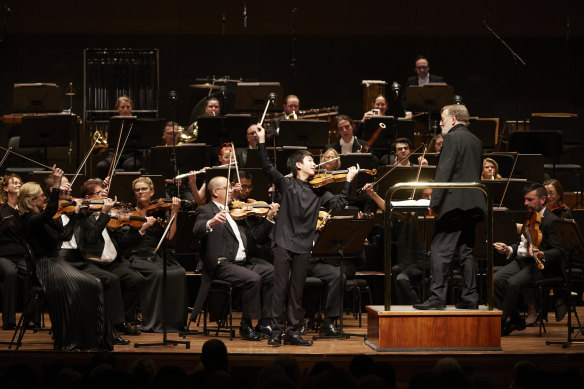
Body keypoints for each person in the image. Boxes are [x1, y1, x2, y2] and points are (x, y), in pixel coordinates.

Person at [256, 124, 359, 346]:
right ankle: (276, 332)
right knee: (280, 289)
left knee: (297, 290)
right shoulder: (286, 183)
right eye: (311, 160)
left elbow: (339, 204)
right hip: (283, 241)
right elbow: (266, 166)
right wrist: (262, 140)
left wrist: (348, 182)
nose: (315, 163)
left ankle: (293, 332)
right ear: (298, 165)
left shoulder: (319, 189)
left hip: (304, 244)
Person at [19, 166, 112, 350]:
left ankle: (93, 339)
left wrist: (76, 214)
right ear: (32, 200)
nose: (44, 197)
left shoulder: (43, 219)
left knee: (94, 284)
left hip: (57, 264)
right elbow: (50, 209)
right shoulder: (30, 219)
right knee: (88, 285)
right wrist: (55, 183)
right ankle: (73, 339)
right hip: (46, 268)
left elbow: (65, 235)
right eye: (40, 195)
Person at [414, 104, 486, 310]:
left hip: (454, 204)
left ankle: (437, 298)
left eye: (442, 119)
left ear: (453, 119)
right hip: (473, 203)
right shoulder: (476, 140)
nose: (440, 123)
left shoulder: (453, 138)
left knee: (439, 250)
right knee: (466, 251)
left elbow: (443, 173)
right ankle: (471, 297)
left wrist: (434, 202)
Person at [44, 174, 130, 345]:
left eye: (70, 185)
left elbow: (91, 238)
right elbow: (62, 234)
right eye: (65, 186)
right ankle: (89, 330)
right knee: (95, 283)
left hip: (78, 260)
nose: (70, 189)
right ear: (54, 190)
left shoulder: (80, 210)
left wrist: (104, 213)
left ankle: (111, 329)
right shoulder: (49, 211)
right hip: (58, 263)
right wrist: (73, 212)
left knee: (111, 279)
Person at [192, 176, 277, 341]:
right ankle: (246, 325)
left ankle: (264, 321)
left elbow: (253, 238)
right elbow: (197, 228)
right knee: (253, 279)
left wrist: (269, 219)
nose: (232, 191)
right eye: (227, 188)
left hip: (242, 263)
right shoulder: (206, 210)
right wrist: (211, 222)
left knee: (273, 273)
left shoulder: (237, 211)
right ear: (215, 192)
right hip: (221, 264)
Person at [493, 182, 564, 335]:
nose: (526, 203)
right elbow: (522, 243)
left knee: (512, 283)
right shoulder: (530, 216)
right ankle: (516, 319)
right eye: (525, 199)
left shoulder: (551, 221)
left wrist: (542, 253)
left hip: (539, 266)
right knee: (496, 279)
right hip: (523, 261)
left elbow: (559, 250)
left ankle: (502, 322)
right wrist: (508, 248)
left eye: (530, 200)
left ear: (542, 200)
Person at [78, 178, 145, 335]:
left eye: (104, 193)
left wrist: (139, 230)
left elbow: (122, 242)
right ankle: (112, 321)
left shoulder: (111, 216)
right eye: (99, 194)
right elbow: (91, 239)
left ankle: (122, 320)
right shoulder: (82, 217)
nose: (104, 198)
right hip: (93, 264)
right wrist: (104, 214)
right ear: (88, 198)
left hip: (114, 263)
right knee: (111, 282)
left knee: (136, 280)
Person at [127, 177, 187, 332]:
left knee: (179, 272)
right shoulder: (129, 212)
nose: (140, 192)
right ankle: (155, 322)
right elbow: (126, 240)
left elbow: (170, 236)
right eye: (137, 190)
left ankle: (175, 322)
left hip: (157, 254)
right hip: (137, 255)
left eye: (144, 189)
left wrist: (174, 212)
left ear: (152, 191)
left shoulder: (160, 211)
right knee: (159, 274)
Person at [0, 174, 27, 330]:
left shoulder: (25, 210)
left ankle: (31, 319)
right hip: (3, 255)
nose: (18, 185)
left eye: (19, 183)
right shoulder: (1, 209)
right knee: (10, 273)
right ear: (5, 188)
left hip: (22, 254)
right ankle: (9, 320)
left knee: (31, 272)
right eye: (14, 183)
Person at [96, 95, 142, 178]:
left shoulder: (137, 123)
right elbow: (109, 140)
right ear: (118, 108)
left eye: (128, 107)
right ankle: (104, 189)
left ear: (131, 108)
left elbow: (142, 141)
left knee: (131, 165)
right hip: (114, 155)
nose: (125, 110)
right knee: (101, 166)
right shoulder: (114, 122)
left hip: (132, 155)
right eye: (122, 107)